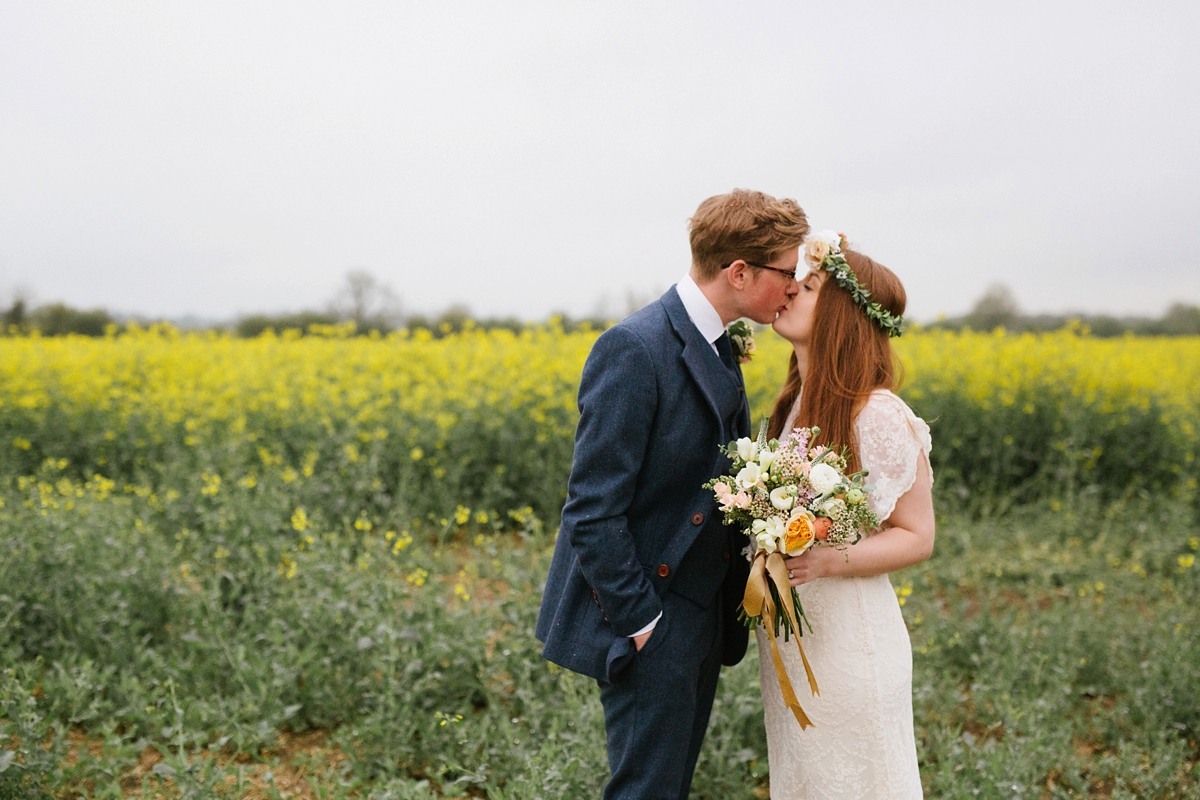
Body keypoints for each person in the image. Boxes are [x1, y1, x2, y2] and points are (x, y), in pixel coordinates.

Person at [536, 189, 810, 799]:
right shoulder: (634, 348)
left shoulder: (718, 341)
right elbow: (591, 507)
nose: (794, 288)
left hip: (699, 615)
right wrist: (641, 621)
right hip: (652, 614)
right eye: (787, 274)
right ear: (739, 272)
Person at [762, 234, 935, 799]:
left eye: (808, 287)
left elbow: (917, 536)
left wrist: (833, 560)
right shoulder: (791, 405)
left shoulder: (879, 413)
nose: (788, 290)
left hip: (851, 645)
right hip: (796, 642)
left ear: (840, 316)